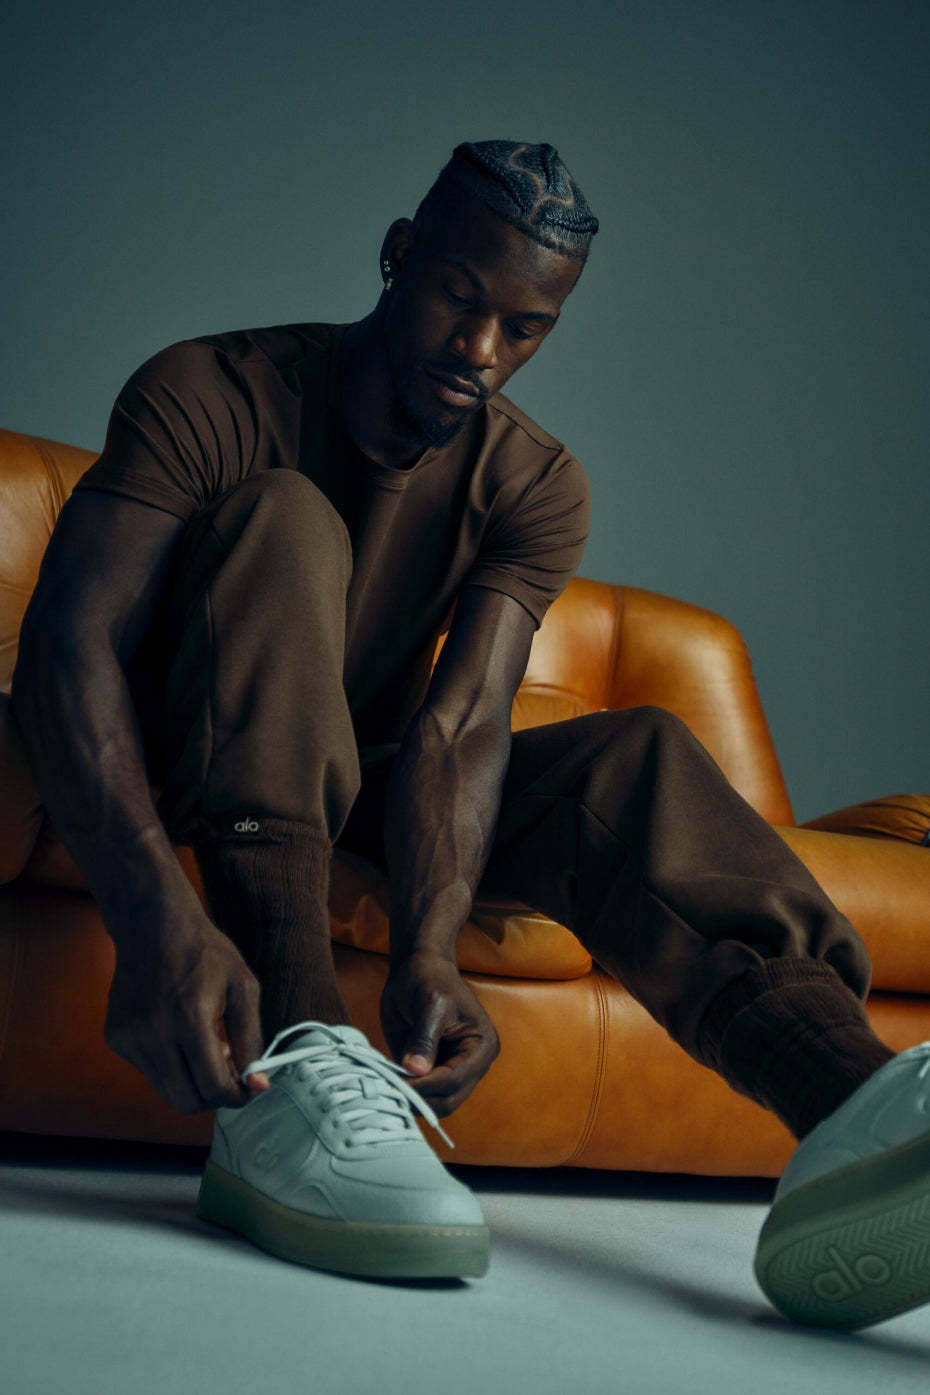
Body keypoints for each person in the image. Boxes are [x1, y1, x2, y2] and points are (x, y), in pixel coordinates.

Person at [11, 140, 930, 1330]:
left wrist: (431, 951)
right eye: (459, 297)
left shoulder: (535, 483)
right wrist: (151, 918)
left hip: (350, 780)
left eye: (525, 327)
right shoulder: (211, 390)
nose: (482, 350)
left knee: (635, 756)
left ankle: (857, 1107)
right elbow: (66, 647)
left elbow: (461, 727)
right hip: (181, 748)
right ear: (400, 256)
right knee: (290, 519)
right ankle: (294, 1068)